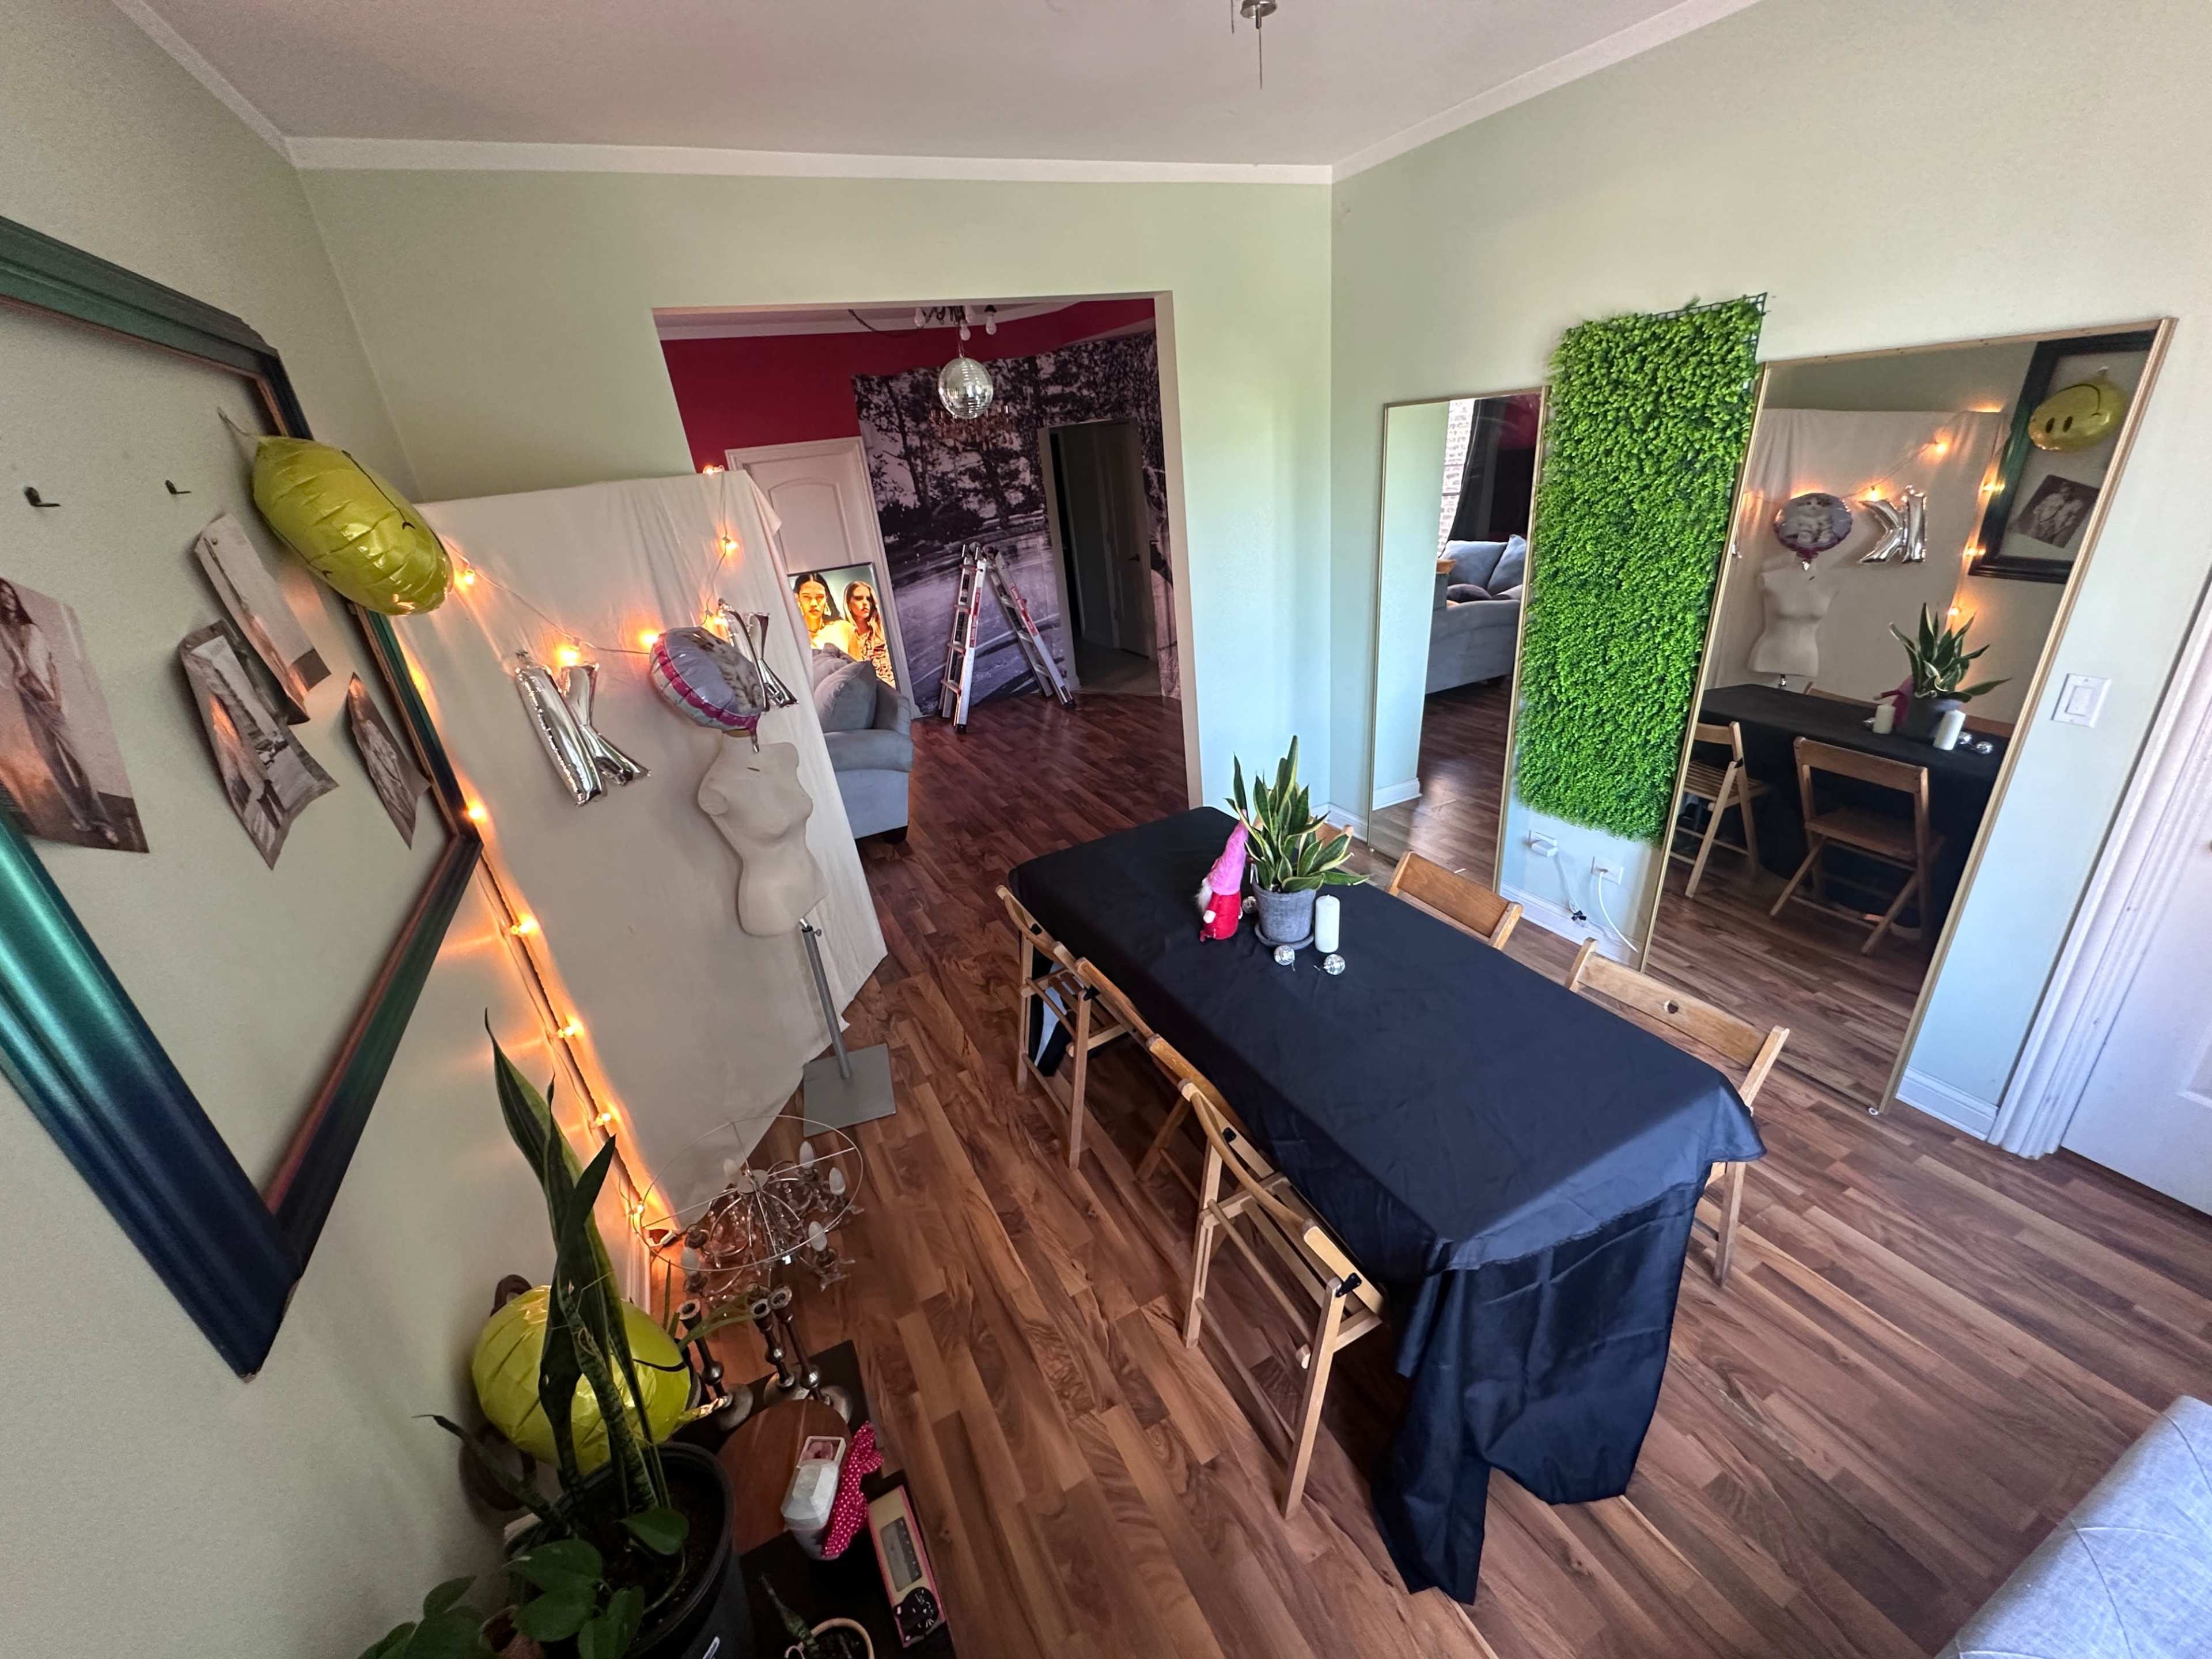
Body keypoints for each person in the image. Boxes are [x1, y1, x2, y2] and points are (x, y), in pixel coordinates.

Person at [0, 578, 114, 844]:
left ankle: (103, 821)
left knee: (79, 762)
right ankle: (82, 818)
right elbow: (10, 670)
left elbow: (52, 666)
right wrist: (15, 677)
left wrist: (59, 700)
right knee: (52, 762)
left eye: (10, 594)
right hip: (29, 701)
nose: (8, 599)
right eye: (2, 596)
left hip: (51, 701)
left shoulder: (33, 630)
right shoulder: (3, 633)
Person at [818, 578, 897, 688]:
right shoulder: (843, 637)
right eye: (859, 598)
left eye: (869, 599)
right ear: (849, 603)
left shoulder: (883, 632)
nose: (865, 603)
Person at [792, 573, 839, 645]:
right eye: (806, 597)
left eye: (820, 597)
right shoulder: (791, 634)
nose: (814, 604)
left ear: (827, 598)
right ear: (798, 598)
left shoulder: (843, 629)